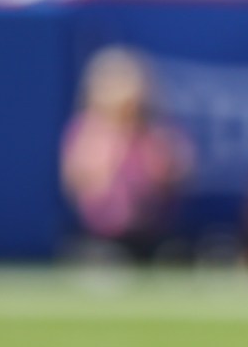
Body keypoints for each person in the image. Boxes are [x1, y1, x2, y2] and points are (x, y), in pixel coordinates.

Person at [60, 47, 190, 262]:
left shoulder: (156, 134)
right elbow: (84, 185)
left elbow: (172, 178)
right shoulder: (87, 132)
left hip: (152, 238)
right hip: (103, 240)